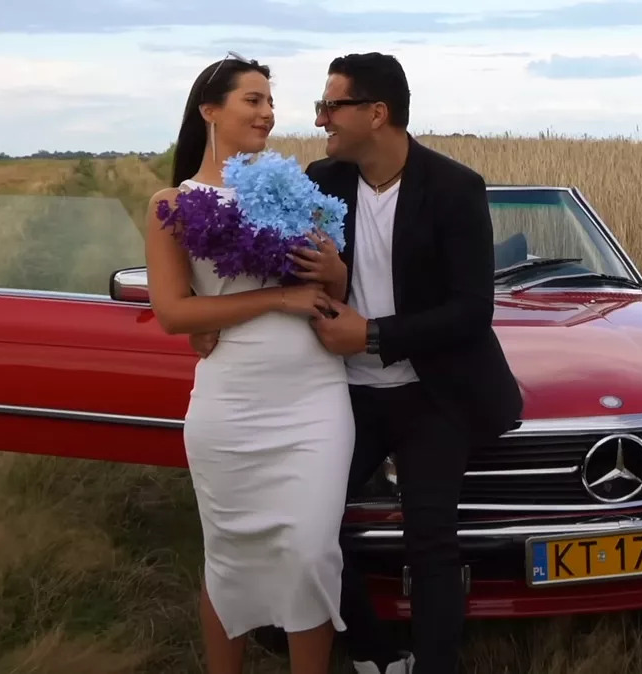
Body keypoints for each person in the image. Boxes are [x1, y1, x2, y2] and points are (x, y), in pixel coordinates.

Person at [192, 52, 524, 674]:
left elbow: (471, 310)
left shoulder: (454, 188)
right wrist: (205, 317)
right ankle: (374, 656)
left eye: (330, 106)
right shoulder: (320, 180)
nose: (319, 119)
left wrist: (371, 335)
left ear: (376, 114)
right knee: (313, 532)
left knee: (431, 539)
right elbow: (262, 267)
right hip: (345, 393)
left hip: (432, 393)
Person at [144, 53, 357, 674]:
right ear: (210, 111)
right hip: (231, 403)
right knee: (230, 557)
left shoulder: (295, 193)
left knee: (311, 554)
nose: (267, 113)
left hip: (315, 398)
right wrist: (276, 299)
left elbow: (332, 296)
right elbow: (174, 313)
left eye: (270, 101)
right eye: (253, 100)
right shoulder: (174, 205)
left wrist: (335, 271)